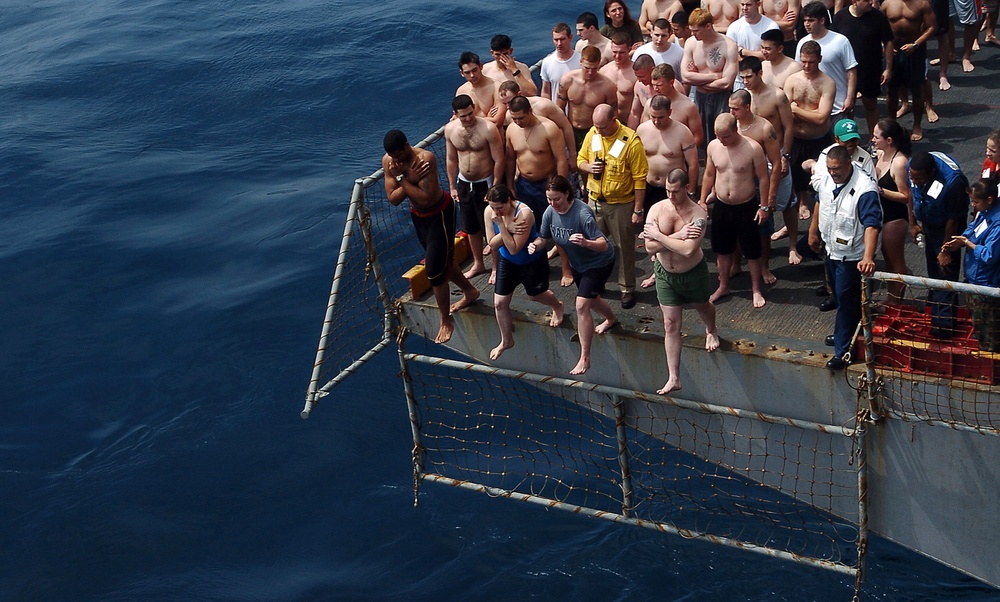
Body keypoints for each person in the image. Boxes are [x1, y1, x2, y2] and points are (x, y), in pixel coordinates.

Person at [382, 130, 480, 344]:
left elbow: (426, 198)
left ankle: (446, 320)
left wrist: (402, 180)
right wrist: (407, 179)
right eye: (394, 157)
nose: (397, 161)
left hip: (439, 214)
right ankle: (470, 292)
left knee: (434, 271)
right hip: (419, 217)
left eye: (400, 155)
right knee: (443, 260)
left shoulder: (425, 159)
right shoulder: (390, 163)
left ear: (407, 145)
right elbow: (393, 199)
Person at [529, 175, 619, 375]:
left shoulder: (582, 214)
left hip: (599, 262)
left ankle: (584, 358)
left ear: (567, 194)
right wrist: (534, 246)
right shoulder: (549, 213)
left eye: (557, 199)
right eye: (550, 199)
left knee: (581, 304)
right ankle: (611, 319)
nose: (554, 204)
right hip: (579, 264)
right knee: (592, 298)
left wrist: (586, 243)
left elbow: (603, 245)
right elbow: (543, 238)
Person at [643, 169, 720, 394]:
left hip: (692, 273)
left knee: (703, 306)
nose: (671, 195)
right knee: (670, 324)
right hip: (665, 273)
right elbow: (649, 247)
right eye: (667, 190)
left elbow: (688, 250)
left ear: (686, 188)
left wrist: (659, 237)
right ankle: (674, 377)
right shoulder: (657, 209)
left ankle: (711, 329)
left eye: (675, 191)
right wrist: (675, 236)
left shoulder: (698, 215)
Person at [807, 144, 882, 370]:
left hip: (852, 256)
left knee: (846, 303)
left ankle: (843, 350)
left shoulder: (865, 189)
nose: (833, 173)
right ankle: (851, 333)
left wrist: (868, 257)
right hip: (831, 249)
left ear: (849, 164)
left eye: (837, 169)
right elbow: (821, 200)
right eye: (830, 169)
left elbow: (871, 225)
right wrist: (813, 231)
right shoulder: (827, 177)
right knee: (840, 298)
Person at [482, 184, 564, 360]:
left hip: (530, 260)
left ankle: (557, 305)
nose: (496, 212)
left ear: (509, 201)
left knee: (535, 295)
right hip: (507, 261)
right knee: (500, 303)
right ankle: (506, 340)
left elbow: (514, 247)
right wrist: (509, 228)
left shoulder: (524, 213)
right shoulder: (489, 211)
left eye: (500, 208)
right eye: (493, 208)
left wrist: (502, 227)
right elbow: (491, 243)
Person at [579, 104, 650, 309]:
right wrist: (588, 167)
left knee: (624, 248)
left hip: (620, 204)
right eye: (596, 126)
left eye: (602, 126)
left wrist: (638, 209)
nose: (598, 130)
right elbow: (580, 159)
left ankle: (627, 289)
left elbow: (639, 179)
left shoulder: (631, 142)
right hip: (595, 202)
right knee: (592, 245)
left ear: (614, 119)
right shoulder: (593, 134)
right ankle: (596, 282)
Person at [701, 113, 771, 307]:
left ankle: (756, 289)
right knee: (722, 250)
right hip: (723, 205)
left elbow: (764, 178)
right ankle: (723, 285)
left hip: (746, 205)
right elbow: (708, 174)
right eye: (718, 136)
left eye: (725, 136)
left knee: (752, 251)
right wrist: (702, 200)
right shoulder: (714, 146)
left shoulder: (752, 148)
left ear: (735, 130)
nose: (721, 141)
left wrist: (764, 206)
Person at [504, 96, 574, 287]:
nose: (518, 122)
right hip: (524, 185)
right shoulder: (511, 129)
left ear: (530, 112)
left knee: (556, 226)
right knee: (529, 227)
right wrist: (510, 184)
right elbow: (510, 159)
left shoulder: (549, 128)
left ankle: (567, 268)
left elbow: (561, 159)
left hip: (547, 184)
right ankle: (538, 264)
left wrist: (560, 188)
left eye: (521, 118)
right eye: (514, 118)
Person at [637, 94, 700, 287]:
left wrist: (691, 192)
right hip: (649, 187)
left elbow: (693, 163)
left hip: (674, 191)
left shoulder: (682, 132)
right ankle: (657, 272)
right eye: (653, 116)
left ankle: (680, 271)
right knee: (652, 234)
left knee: (675, 232)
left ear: (670, 113)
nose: (656, 121)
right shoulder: (642, 129)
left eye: (661, 117)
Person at [909, 151, 971, 335]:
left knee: (945, 269)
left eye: (919, 178)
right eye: (913, 177)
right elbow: (911, 194)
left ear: (932, 173)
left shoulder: (954, 184)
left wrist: (945, 250)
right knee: (932, 269)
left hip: (948, 225)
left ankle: (944, 325)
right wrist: (913, 223)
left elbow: (954, 219)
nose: (915, 180)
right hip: (929, 217)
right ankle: (934, 306)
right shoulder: (912, 168)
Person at [444, 95, 505, 280]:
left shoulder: (488, 128)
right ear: (455, 114)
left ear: (474, 108)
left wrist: (494, 187)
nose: (468, 118)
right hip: (464, 183)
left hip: (485, 183)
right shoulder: (450, 130)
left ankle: (495, 266)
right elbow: (451, 158)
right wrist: (452, 186)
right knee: (470, 227)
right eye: (463, 116)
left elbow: (499, 159)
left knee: (491, 227)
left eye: (470, 113)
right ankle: (478, 263)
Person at [740, 57, 797, 254]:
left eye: (749, 77)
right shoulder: (743, 97)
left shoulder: (777, 96)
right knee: (758, 200)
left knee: (787, 202)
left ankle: (792, 245)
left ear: (760, 74)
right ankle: (764, 245)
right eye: (742, 78)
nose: (746, 81)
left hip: (777, 152)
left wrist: (785, 156)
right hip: (753, 157)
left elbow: (789, 127)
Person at [729, 89, 785, 284]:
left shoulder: (764, 128)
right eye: (730, 108)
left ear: (747, 107)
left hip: (758, 181)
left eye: (735, 108)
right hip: (736, 179)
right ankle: (736, 264)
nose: (732, 112)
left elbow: (776, 162)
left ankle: (764, 267)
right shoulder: (730, 125)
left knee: (763, 228)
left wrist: (771, 195)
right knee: (735, 226)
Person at [942, 179, 1000, 351]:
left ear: (989, 199)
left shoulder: (997, 223)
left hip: (987, 285)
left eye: (975, 201)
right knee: (979, 326)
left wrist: (968, 243)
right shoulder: (984, 212)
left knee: (991, 333)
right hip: (974, 279)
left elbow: (989, 255)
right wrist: (958, 242)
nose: (972, 205)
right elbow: (972, 228)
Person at [784, 40, 835, 223]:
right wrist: (811, 112)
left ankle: (822, 208)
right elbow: (785, 114)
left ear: (819, 60)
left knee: (823, 176)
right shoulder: (792, 80)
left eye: (811, 62)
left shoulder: (827, 83)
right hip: (796, 137)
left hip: (819, 138)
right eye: (804, 61)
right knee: (796, 175)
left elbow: (822, 118)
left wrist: (797, 110)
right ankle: (803, 202)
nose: (806, 66)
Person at [830, 0, 893, 139]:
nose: (871, 2)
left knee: (870, 105)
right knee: (846, 108)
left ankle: (874, 139)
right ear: (855, 1)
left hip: (870, 70)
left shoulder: (878, 17)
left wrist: (888, 68)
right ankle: (848, 141)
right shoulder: (840, 17)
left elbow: (888, 41)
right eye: (866, 0)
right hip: (845, 73)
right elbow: (832, 42)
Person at [682, 8, 740, 146]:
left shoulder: (728, 46)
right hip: (699, 97)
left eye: (696, 30)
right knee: (700, 140)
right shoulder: (691, 43)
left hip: (721, 98)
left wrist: (697, 79)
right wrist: (714, 76)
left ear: (708, 26)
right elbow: (685, 76)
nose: (693, 34)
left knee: (722, 139)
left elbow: (726, 83)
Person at [872, 118, 913, 305]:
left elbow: (906, 196)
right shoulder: (881, 154)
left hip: (895, 218)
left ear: (889, 140)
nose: (873, 140)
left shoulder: (899, 162)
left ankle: (898, 302)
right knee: (887, 261)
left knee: (896, 262)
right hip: (882, 214)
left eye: (876, 137)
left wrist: (881, 190)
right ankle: (891, 297)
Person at [796, 1, 858, 125]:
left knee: (842, 142)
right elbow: (799, 72)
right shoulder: (802, 42)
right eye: (805, 21)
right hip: (813, 109)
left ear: (822, 20)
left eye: (811, 20)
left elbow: (851, 71)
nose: (807, 24)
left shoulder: (840, 41)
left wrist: (850, 98)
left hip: (839, 107)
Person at [883, 0, 936, 142]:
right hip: (893, 52)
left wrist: (915, 44)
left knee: (917, 90)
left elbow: (931, 27)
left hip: (914, 52)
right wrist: (885, 45)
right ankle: (891, 124)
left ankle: (917, 125)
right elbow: (879, 25)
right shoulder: (887, 3)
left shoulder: (922, 4)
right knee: (892, 89)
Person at [498, 81, 578, 172]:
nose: (508, 107)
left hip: (555, 155)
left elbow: (566, 127)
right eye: (504, 104)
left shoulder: (544, 106)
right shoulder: (510, 115)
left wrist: (572, 155)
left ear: (519, 94)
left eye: (509, 102)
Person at [558, 46, 620, 151]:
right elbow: (559, 110)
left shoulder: (608, 86)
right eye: (587, 68)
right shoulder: (567, 81)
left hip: (596, 132)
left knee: (593, 164)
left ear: (599, 64)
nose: (590, 73)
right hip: (570, 130)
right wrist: (562, 131)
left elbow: (613, 115)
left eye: (594, 68)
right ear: (581, 62)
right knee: (572, 162)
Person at [727, 0, 780, 74]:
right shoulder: (733, 27)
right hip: (740, 78)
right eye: (742, 4)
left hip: (764, 74)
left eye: (748, 5)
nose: (744, 8)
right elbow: (730, 56)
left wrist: (743, 52)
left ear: (758, 4)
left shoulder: (771, 26)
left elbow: (772, 54)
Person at [455, 52, 506, 129]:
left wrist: (469, 121)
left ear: (481, 66)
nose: (472, 75)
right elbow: (457, 118)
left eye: (474, 70)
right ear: (462, 73)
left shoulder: (496, 87)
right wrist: (488, 118)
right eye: (467, 72)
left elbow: (497, 122)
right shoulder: (461, 91)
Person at [600, 33, 639, 123]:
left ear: (629, 50)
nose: (617, 56)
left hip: (627, 121)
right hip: (607, 123)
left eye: (621, 52)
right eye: (614, 52)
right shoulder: (604, 70)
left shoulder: (636, 73)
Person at [540, 23, 581, 102]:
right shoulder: (547, 62)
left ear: (570, 37)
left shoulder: (581, 61)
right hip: (556, 112)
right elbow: (546, 92)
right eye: (556, 40)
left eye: (562, 39)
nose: (559, 44)